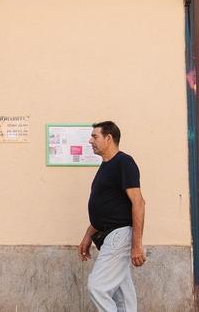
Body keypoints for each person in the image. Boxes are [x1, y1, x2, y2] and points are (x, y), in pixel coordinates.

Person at [78, 121, 146, 312]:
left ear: (108, 138)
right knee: (123, 297)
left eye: (94, 136)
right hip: (108, 235)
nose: (90, 140)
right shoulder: (106, 166)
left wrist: (137, 244)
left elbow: (139, 203)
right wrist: (88, 234)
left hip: (119, 235)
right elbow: (107, 208)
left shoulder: (124, 162)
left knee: (97, 287)